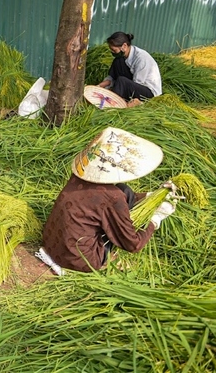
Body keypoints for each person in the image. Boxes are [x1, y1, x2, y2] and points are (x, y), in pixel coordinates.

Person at [38, 127, 177, 274]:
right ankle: (104, 257)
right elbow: (133, 244)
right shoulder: (112, 198)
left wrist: (153, 196)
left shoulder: (79, 176)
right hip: (79, 259)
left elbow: (121, 196)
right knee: (118, 226)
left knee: (125, 190)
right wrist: (155, 220)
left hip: (52, 243)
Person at [97, 32, 162, 107]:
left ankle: (113, 104)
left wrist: (114, 90)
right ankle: (114, 94)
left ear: (124, 46)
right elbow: (112, 77)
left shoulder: (141, 58)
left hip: (148, 91)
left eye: (114, 50)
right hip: (134, 84)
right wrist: (100, 86)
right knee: (118, 61)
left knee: (122, 81)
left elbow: (137, 83)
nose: (112, 52)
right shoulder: (123, 57)